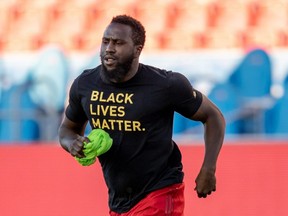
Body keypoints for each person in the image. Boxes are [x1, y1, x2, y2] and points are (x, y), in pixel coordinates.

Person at [58, 14, 225, 216]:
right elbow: (68, 129)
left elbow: (213, 116)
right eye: (105, 41)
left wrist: (209, 168)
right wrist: (72, 144)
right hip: (119, 202)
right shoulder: (84, 85)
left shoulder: (166, 85)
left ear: (137, 50)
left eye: (118, 43)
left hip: (160, 193)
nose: (109, 48)